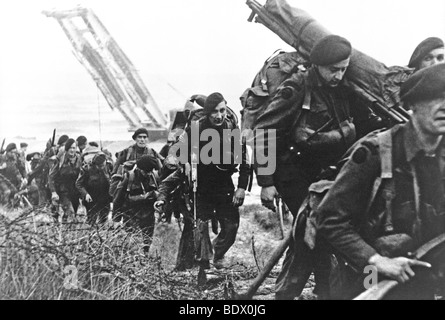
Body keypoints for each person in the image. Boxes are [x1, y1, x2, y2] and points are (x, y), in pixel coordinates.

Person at [253, 35, 383, 300]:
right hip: (294, 174)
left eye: (344, 69)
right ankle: (301, 293)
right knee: (317, 233)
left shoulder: (345, 88)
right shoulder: (297, 87)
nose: (338, 75)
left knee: (313, 236)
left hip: (328, 175)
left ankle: (313, 292)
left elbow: (364, 124)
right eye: (333, 70)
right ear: (317, 66)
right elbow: (264, 131)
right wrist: (266, 182)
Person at [316, 63, 445, 299]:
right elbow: (328, 219)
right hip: (369, 271)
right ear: (412, 105)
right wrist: (377, 261)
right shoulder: (375, 153)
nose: (444, 106)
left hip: (421, 274)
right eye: (435, 98)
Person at [156, 92, 250, 280]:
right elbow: (178, 151)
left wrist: (241, 188)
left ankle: (215, 253)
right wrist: (186, 163)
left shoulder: (232, 129)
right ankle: (205, 266)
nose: (219, 115)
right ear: (207, 113)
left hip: (224, 183)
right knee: (201, 226)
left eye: (222, 110)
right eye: (214, 112)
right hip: (201, 185)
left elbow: (245, 162)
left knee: (231, 227)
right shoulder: (196, 129)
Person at [111, 128, 163, 222]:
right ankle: (118, 217)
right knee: (121, 195)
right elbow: (115, 171)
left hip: (147, 182)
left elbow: (161, 168)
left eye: (145, 137)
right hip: (130, 182)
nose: (142, 139)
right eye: (139, 137)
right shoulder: (126, 152)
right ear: (135, 138)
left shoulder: (152, 152)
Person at [113, 155, 161, 253]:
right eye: (145, 172)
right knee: (133, 243)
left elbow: (160, 194)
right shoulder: (129, 177)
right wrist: (116, 219)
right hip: (131, 215)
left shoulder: (154, 177)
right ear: (139, 169)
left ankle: (144, 260)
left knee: (147, 242)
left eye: (150, 171)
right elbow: (118, 199)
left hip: (148, 216)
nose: (148, 174)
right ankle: (133, 262)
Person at [49, 138, 82, 223]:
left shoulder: (80, 159)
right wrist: (53, 192)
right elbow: (51, 177)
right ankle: (70, 232)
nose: (72, 150)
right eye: (70, 148)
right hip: (63, 191)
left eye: (74, 148)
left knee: (73, 212)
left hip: (75, 191)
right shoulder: (61, 160)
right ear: (67, 149)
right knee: (70, 213)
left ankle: (65, 228)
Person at [76, 152, 112, 226]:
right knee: (92, 219)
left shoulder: (109, 166)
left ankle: (102, 234)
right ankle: (91, 234)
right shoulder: (87, 169)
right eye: (99, 166)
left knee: (104, 218)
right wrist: (86, 194)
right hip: (91, 197)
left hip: (104, 197)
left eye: (103, 165)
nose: (101, 168)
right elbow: (78, 184)